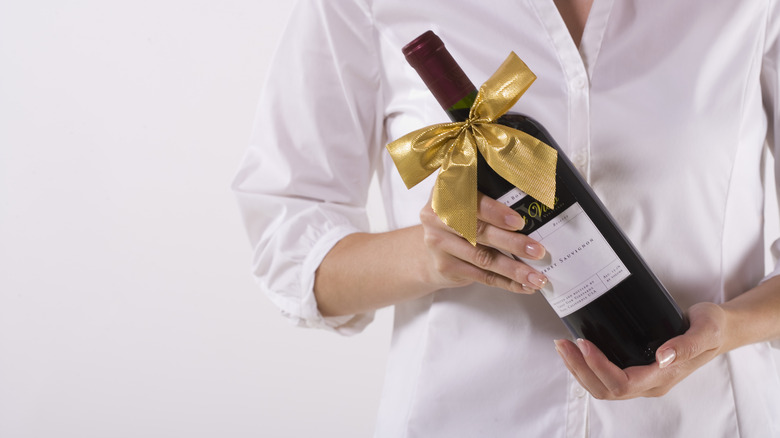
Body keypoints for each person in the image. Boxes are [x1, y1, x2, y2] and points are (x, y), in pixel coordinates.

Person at [232, 0, 780, 435]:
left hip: (705, 420)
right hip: (461, 419)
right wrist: (431, 257)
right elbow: (291, 254)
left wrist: (729, 329)